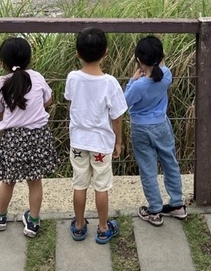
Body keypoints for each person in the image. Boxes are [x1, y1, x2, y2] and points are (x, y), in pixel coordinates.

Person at [0, 36, 58, 237]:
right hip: (38, 136)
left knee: (8, 180)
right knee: (34, 181)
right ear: (30, 59)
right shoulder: (37, 77)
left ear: (3, 62)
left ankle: (0, 217)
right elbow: (48, 100)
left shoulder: (0, 84)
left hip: (14, 139)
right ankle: (33, 221)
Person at [65, 27, 128, 244]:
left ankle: (80, 225)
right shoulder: (110, 83)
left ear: (78, 54)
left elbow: (70, 99)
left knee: (79, 183)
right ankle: (102, 228)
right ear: (106, 52)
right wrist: (118, 141)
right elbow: (117, 117)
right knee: (101, 186)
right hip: (101, 143)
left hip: (78, 141)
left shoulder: (73, 77)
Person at [124, 36, 187, 226]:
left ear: (139, 61)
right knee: (170, 163)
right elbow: (160, 71)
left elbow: (124, 102)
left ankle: (154, 209)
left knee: (148, 168)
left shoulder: (139, 85)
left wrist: (131, 81)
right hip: (162, 125)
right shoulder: (167, 75)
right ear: (161, 57)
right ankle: (177, 204)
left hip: (141, 128)